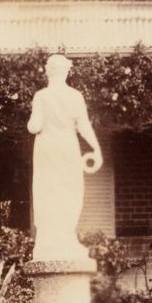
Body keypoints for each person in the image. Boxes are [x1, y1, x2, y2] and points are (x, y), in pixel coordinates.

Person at [27, 53, 103, 261]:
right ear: (67, 71)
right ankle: (65, 238)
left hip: (48, 148)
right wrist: (96, 149)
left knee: (49, 190)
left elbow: (34, 126)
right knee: (70, 190)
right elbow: (84, 126)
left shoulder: (41, 96)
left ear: (48, 71)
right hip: (67, 147)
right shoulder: (74, 96)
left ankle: (50, 240)